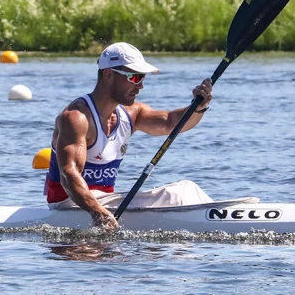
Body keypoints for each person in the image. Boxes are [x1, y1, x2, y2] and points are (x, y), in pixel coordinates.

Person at [44, 42, 213, 229]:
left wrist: (198, 107)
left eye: (142, 78)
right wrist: (98, 213)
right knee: (179, 194)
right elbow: (69, 174)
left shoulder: (132, 113)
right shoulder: (77, 118)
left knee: (185, 190)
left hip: (105, 203)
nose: (140, 86)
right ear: (108, 74)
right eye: (134, 78)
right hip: (70, 205)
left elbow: (172, 123)